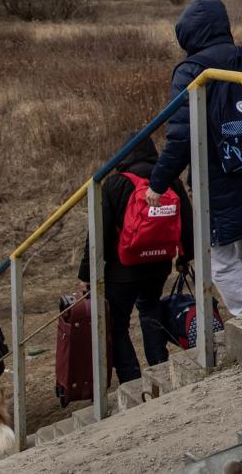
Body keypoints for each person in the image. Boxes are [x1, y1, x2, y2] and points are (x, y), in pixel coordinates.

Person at [146, 0, 242, 317]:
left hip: (216, 177)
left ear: (190, 34)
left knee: (218, 259)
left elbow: (181, 137)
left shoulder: (192, 71)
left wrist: (158, 182)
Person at [76, 134, 193, 383]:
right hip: (159, 264)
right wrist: (185, 256)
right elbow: (187, 220)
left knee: (117, 324)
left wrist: (87, 274)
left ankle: (132, 380)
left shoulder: (113, 184)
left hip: (123, 269)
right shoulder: (168, 179)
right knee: (150, 309)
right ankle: (160, 368)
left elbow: (99, 232)